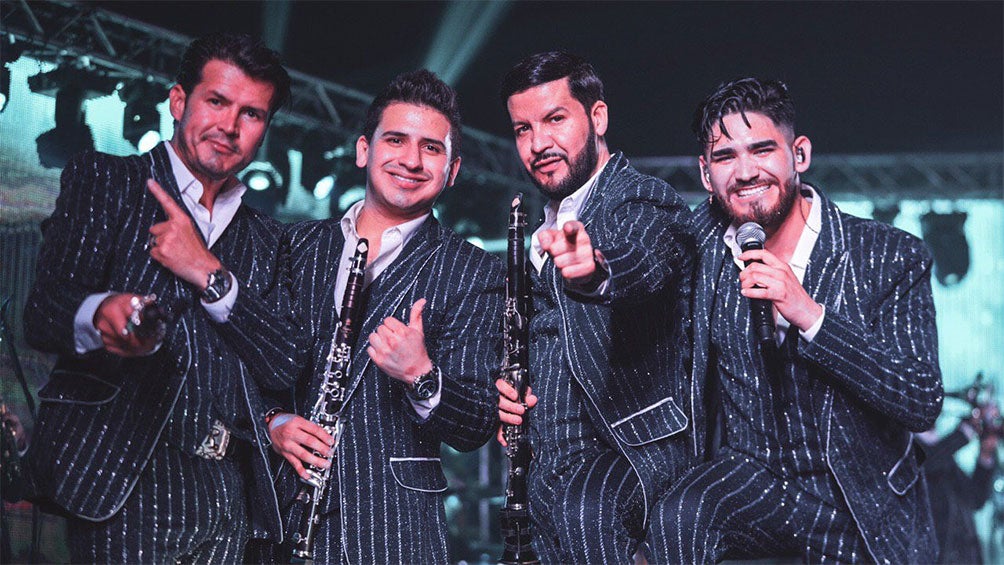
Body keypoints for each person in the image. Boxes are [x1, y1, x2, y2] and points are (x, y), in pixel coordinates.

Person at [23, 33, 298, 561]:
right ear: (178, 101)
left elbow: (284, 360)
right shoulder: (107, 180)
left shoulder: (269, 239)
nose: (230, 126)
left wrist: (208, 272)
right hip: (121, 481)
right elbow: (45, 310)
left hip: (226, 500)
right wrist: (102, 314)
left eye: (251, 114)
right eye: (216, 101)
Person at [646, 77, 943, 563]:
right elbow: (630, 278)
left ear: (799, 154)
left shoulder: (889, 255)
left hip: (860, 500)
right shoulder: (698, 247)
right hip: (754, 480)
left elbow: (921, 399)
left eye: (762, 150)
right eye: (725, 157)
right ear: (705, 173)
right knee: (679, 515)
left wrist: (809, 313)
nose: (745, 172)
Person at [263, 70, 504, 563]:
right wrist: (272, 422)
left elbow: (476, 423)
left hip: (393, 532)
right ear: (363, 150)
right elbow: (250, 365)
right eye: (395, 140)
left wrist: (421, 374)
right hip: (278, 519)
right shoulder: (295, 245)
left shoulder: (475, 271)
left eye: (431, 148)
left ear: (452, 170)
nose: (411, 160)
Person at [495, 51, 696, 563]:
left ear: (598, 117)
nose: (539, 143)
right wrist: (510, 397)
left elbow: (645, 258)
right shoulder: (539, 227)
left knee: (586, 511)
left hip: (626, 460)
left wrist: (597, 271)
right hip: (546, 473)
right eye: (523, 129)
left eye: (555, 119)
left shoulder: (642, 199)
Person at [919, 404, 1000, 563]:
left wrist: (985, 454)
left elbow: (975, 499)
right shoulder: (908, 447)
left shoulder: (944, 456)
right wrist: (967, 430)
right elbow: (926, 464)